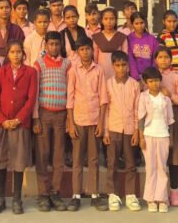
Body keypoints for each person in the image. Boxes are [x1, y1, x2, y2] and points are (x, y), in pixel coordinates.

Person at [0, 39, 37, 214]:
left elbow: (31, 99)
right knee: (0, 160)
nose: (16, 55)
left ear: (23, 53)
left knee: (18, 161)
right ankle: (0, 199)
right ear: (7, 54)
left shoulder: (30, 72)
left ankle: (17, 199)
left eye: (18, 52)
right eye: (12, 52)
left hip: (20, 124)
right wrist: (2, 120)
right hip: (2, 124)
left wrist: (19, 119)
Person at [66, 37, 109, 212]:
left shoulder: (99, 70)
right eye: (82, 49)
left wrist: (101, 123)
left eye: (88, 49)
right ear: (77, 52)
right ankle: (76, 195)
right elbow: (70, 99)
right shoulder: (73, 71)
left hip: (94, 120)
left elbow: (103, 98)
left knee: (93, 159)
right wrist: (70, 123)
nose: (85, 52)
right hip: (78, 120)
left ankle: (94, 195)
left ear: (92, 50)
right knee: (77, 159)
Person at [33, 31, 71, 213]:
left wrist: (69, 117)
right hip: (43, 114)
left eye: (57, 44)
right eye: (51, 44)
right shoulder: (39, 64)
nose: (54, 47)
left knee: (58, 155)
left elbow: (70, 90)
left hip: (61, 115)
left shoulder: (67, 64)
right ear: (46, 45)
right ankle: (43, 194)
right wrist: (35, 117)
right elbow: (34, 92)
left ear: (61, 45)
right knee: (42, 154)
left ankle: (55, 192)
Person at [104, 50, 141, 213]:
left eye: (123, 65)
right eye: (118, 65)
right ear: (113, 66)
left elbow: (137, 109)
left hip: (129, 129)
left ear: (128, 66)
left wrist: (136, 131)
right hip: (113, 127)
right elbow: (106, 109)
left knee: (130, 163)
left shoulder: (134, 85)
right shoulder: (108, 84)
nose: (121, 68)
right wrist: (106, 132)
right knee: (112, 162)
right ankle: (112, 194)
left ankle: (130, 195)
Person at [154, 46, 178, 207]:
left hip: (173, 118)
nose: (163, 60)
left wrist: (170, 95)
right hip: (156, 120)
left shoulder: (175, 77)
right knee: (158, 158)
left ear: (171, 59)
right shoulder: (151, 75)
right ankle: (159, 192)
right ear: (155, 60)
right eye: (160, 57)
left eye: (166, 57)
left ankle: (174, 191)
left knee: (173, 157)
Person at [139, 67, 174, 213]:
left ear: (160, 81)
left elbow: (170, 120)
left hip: (163, 135)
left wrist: (170, 138)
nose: (154, 84)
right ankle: (150, 198)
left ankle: (162, 198)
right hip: (148, 135)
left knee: (162, 168)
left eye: (157, 80)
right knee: (150, 168)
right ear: (146, 82)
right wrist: (141, 137)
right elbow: (141, 119)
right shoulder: (143, 97)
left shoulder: (165, 99)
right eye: (151, 81)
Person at [91, 7, 127, 81]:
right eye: (106, 19)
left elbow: (125, 56)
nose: (109, 21)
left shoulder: (122, 37)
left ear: (116, 20)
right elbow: (95, 57)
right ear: (102, 21)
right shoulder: (96, 37)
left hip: (118, 72)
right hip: (101, 72)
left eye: (112, 19)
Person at [0, 0, 25, 65]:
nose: (4, 10)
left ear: (11, 9)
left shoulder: (17, 30)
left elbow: (20, 49)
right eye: (1, 8)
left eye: (7, 7)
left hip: (11, 64)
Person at [126, 11, 159, 80]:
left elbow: (155, 58)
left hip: (150, 77)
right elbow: (130, 60)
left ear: (145, 23)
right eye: (136, 23)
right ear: (132, 24)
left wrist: (151, 75)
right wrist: (136, 77)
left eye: (142, 23)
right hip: (135, 77)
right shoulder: (129, 39)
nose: (140, 26)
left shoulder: (152, 39)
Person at [159, 10, 178, 75]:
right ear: (163, 22)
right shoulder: (162, 37)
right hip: (169, 72)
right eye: (169, 21)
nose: (172, 24)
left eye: (174, 21)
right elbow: (161, 56)